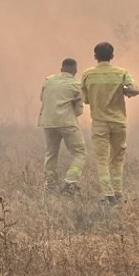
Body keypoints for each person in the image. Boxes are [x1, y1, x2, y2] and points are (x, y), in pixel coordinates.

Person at [80, 42, 137, 205]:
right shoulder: (121, 73)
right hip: (119, 123)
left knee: (102, 159)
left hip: (99, 124)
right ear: (112, 56)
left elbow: (85, 99)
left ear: (95, 56)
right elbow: (133, 89)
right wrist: (126, 89)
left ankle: (108, 194)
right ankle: (118, 192)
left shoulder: (87, 75)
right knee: (117, 158)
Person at [37, 58, 86, 193]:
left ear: (61, 69)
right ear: (75, 71)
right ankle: (70, 181)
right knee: (80, 153)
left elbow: (42, 98)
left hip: (48, 122)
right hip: (67, 123)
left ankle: (49, 184)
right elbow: (79, 110)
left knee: (51, 154)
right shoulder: (76, 85)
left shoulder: (48, 81)